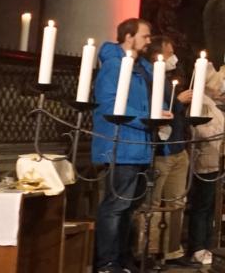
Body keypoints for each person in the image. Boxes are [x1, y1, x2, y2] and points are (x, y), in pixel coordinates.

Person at [91, 18, 153, 273]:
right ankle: (107, 262)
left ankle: (123, 258)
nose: (149, 41)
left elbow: (142, 104)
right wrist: (146, 121)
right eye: (145, 36)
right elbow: (108, 104)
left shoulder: (143, 68)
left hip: (140, 146)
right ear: (129, 37)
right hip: (122, 143)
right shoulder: (114, 66)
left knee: (129, 207)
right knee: (116, 206)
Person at [178, 66, 225, 268]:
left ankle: (207, 244)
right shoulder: (199, 102)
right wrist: (224, 127)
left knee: (210, 206)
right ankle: (197, 248)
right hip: (204, 160)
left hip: (217, 160)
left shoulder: (215, 103)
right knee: (201, 206)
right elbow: (199, 129)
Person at [142, 37, 189, 265]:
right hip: (161, 150)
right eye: (170, 53)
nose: (174, 57)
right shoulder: (148, 78)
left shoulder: (168, 79)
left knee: (176, 201)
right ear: (156, 56)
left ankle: (171, 250)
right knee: (152, 203)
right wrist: (178, 101)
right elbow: (155, 108)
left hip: (178, 147)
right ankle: (149, 251)